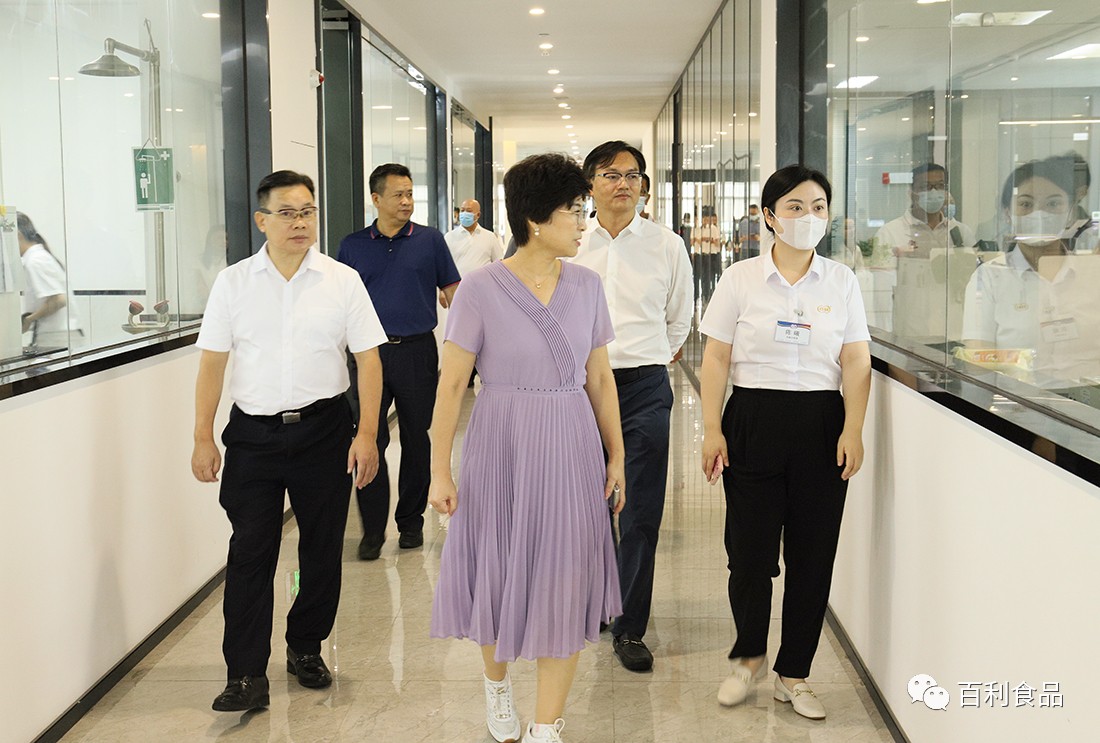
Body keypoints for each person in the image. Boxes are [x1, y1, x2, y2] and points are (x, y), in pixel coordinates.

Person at [429, 153, 625, 743]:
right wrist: (439, 471)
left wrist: (616, 455)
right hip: (502, 442)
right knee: (498, 565)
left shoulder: (588, 286)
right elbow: (451, 383)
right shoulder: (480, 289)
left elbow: (600, 379)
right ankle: (496, 686)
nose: (584, 222)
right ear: (536, 219)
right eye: (575, 211)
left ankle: (546, 728)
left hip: (571, 441)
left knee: (565, 576)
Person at [191, 170, 387, 712]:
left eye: (307, 212)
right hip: (253, 436)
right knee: (250, 551)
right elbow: (212, 363)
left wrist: (368, 434)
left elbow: (369, 360)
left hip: (325, 431)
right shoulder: (233, 282)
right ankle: (245, 674)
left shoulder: (342, 280)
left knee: (321, 548)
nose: (300, 223)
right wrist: (202, 435)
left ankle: (305, 647)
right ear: (262, 220)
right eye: (287, 213)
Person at [698, 165, 871, 720]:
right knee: (749, 557)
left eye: (818, 206)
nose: (808, 216)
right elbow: (716, 357)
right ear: (769, 216)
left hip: (822, 423)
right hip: (753, 418)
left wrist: (852, 428)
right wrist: (711, 428)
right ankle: (747, 658)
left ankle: (794, 673)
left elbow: (856, 360)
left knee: (812, 557)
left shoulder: (841, 280)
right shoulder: (740, 279)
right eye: (795, 207)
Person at [572, 140, 693, 673]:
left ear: (644, 185)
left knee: (639, 509)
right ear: (590, 185)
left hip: (644, 386)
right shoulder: (570, 242)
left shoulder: (667, 245)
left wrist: (649, 357)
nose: (623, 184)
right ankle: (598, 601)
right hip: (578, 389)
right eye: (610, 174)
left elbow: (678, 319)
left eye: (632, 175)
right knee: (585, 505)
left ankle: (629, 627)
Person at [338, 163, 461, 561]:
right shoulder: (352, 246)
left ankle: (411, 522)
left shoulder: (430, 240)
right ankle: (372, 531)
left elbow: (454, 292)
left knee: (417, 438)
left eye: (410, 194)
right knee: (368, 438)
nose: (407, 201)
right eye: (398, 195)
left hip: (416, 352)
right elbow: (339, 304)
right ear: (376, 199)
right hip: (366, 355)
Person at [961, 155, 1100, 382]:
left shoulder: (1092, 274)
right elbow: (977, 364)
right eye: (1025, 204)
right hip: (1020, 401)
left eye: (1053, 204)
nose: (1040, 214)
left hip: (1090, 401)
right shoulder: (989, 278)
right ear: (1007, 213)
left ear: (1071, 212)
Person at [873, 163, 976, 258]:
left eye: (940, 186)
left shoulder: (960, 231)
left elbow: (974, 266)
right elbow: (881, 269)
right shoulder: (889, 233)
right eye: (926, 186)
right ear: (911, 193)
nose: (934, 192)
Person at [16, 212, 83, 350]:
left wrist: (28, 320)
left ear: (17, 235)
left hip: (57, 337)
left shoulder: (35, 261)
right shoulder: (37, 257)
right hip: (58, 336)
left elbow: (59, 300)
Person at [444, 198, 504, 277]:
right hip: (459, 283)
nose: (464, 214)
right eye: (462, 210)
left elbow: (499, 263)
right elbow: (444, 265)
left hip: (484, 283)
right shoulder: (449, 237)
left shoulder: (490, 237)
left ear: (478, 215)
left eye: (469, 211)